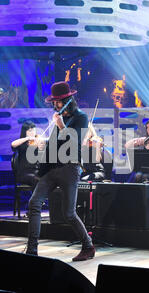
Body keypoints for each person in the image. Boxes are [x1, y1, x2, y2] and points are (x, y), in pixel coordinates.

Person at [25, 81, 95, 261]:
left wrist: (62, 126)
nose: (55, 105)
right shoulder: (58, 119)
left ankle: (88, 246)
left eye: (58, 101)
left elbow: (75, 142)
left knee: (69, 214)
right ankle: (32, 250)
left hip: (69, 168)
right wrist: (41, 170)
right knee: (34, 203)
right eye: (53, 102)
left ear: (68, 99)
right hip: (52, 169)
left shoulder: (80, 117)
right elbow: (52, 148)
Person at [10, 120, 41, 189]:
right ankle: (37, 199)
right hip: (24, 173)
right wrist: (27, 138)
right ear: (25, 132)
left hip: (37, 171)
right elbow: (13, 144)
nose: (32, 133)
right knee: (37, 180)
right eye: (30, 131)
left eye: (33, 130)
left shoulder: (38, 142)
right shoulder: (21, 143)